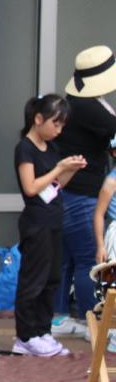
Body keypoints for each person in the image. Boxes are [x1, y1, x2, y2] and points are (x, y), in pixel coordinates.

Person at [13, 94, 85, 356]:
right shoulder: (25, 148)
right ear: (38, 119)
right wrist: (59, 168)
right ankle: (25, 336)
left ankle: (42, 331)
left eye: (62, 125)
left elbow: (55, 186)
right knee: (34, 279)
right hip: (36, 222)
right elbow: (31, 188)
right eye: (56, 123)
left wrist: (71, 169)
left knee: (51, 279)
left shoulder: (51, 148)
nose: (58, 130)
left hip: (54, 218)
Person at [52, 45, 116, 338]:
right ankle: (94, 321)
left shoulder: (75, 102)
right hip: (82, 194)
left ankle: (59, 317)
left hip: (66, 192)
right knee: (87, 258)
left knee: (65, 258)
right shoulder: (90, 107)